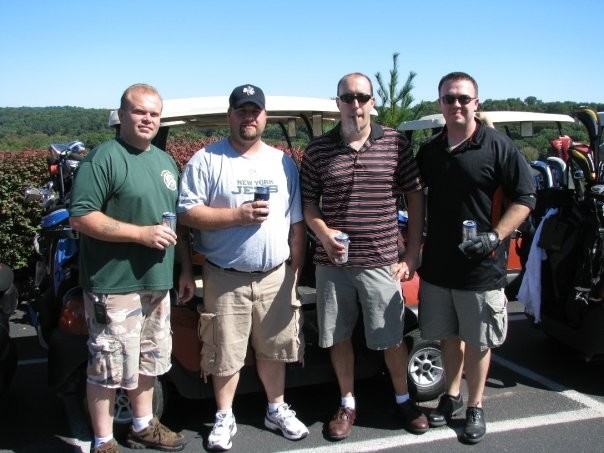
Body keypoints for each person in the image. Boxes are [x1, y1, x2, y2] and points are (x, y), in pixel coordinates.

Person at [177, 84, 308, 451]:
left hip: (275, 276)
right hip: (225, 276)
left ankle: (276, 408)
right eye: (241, 110)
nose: (248, 117)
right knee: (223, 351)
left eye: (255, 111)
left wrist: (295, 270)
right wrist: (238, 215)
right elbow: (186, 214)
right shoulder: (206, 160)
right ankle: (224, 416)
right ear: (230, 115)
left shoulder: (283, 162)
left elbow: (295, 222)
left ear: (264, 116)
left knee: (275, 348)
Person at [299, 72, 428, 439]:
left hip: (382, 259)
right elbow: (309, 205)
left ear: (372, 102)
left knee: (390, 337)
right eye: (347, 97)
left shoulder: (396, 144)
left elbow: (415, 195)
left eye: (362, 97)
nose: (355, 104)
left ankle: (404, 399)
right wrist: (323, 234)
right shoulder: (319, 150)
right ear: (337, 102)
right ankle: (348, 403)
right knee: (338, 337)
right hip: (333, 265)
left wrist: (413, 250)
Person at [69, 83, 195, 453]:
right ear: (122, 115)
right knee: (108, 367)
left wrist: (184, 269)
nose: (147, 119)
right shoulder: (104, 158)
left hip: (157, 282)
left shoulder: (164, 161)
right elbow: (82, 217)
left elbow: (177, 224)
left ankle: (142, 425)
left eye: (154, 114)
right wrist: (140, 234)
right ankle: (103, 440)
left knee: (150, 360)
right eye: (140, 112)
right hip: (114, 284)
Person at [415, 72, 536, 444]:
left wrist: (495, 236)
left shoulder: (498, 146)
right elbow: (415, 199)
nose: (456, 105)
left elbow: (526, 199)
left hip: (481, 268)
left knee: (478, 340)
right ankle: (451, 397)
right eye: (449, 99)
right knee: (449, 338)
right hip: (438, 266)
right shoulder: (430, 151)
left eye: (463, 98)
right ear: (440, 104)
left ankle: (475, 405)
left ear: (476, 102)